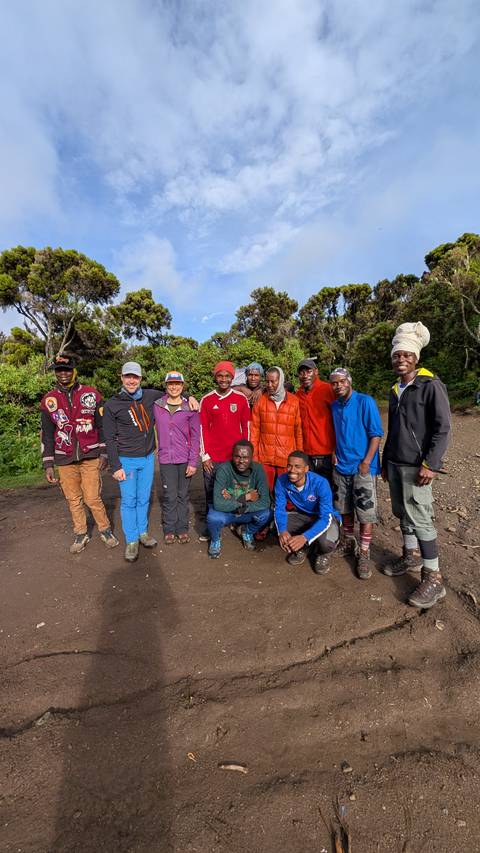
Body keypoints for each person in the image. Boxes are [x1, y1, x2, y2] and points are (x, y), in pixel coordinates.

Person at [381, 322, 451, 609]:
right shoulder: (395, 389)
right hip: (396, 463)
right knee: (402, 513)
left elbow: (443, 428)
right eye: (397, 355)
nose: (401, 359)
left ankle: (433, 576)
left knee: (421, 517)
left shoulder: (430, 384)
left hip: (418, 466)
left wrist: (431, 464)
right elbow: (394, 429)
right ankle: (410, 555)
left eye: (407, 355)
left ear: (416, 357)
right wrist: (385, 461)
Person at [40, 354, 119, 554]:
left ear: (74, 371)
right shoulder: (49, 400)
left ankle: (105, 529)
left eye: (67, 369)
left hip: (90, 455)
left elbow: (102, 426)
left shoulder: (92, 394)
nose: (63, 373)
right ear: (56, 373)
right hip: (64, 458)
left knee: (92, 497)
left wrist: (104, 453)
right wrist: (48, 463)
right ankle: (81, 533)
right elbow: (47, 434)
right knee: (73, 499)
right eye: (59, 370)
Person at [103, 362, 161, 562]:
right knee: (129, 500)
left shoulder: (150, 396)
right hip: (126, 460)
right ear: (121, 378)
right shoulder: (112, 404)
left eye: (135, 377)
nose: (131, 381)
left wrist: (191, 398)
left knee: (144, 498)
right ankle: (131, 540)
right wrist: (115, 466)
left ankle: (143, 533)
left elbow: (174, 393)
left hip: (147, 458)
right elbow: (109, 439)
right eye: (127, 376)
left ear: (140, 379)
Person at [330, 368, 383, 580]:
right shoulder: (334, 406)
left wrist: (367, 462)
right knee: (344, 507)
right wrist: (333, 451)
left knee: (365, 512)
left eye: (342, 381)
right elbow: (336, 432)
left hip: (362, 467)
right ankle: (348, 541)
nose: (338, 385)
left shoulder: (365, 401)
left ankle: (364, 551)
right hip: (341, 465)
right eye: (334, 383)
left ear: (349, 381)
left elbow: (376, 434)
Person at [153, 371, 200, 544]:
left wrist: (193, 462)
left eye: (177, 384)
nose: (174, 387)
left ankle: (182, 528)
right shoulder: (157, 405)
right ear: (166, 386)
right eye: (170, 384)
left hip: (185, 459)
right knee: (170, 495)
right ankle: (169, 528)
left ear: (182, 386)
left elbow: (195, 436)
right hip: (166, 459)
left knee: (182, 495)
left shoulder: (191, 408)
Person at [274, 451, 340, 574]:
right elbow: (279, 509)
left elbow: (326, 517)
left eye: (297, 466)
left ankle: (322, 554)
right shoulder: (282, 481)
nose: (292, 470)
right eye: (289, 465)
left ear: (306, 469)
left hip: (326, 518)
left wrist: (305, 537)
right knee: (277, 527)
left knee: (327, 543)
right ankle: (305, 547)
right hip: (304, 516)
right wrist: (282, 531)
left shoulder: (321, 483)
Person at [199, 361, 251, 512]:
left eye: (227, 376)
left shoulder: (241, 399)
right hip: (213, 459)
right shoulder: (207, 400)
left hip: (234, 458)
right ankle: (211, 526)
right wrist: (205, 456)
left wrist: (245, 455)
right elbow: (202, 429)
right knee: (211, 493)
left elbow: (246, 428)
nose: (223, 379)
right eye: (220, 376)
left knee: (238, 492)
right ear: (215, 377)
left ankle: (237, 523)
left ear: (232, 378)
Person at [206, 440, 272, 558]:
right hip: (227, 512)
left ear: (252, 457)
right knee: (213, 518)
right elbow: (218, 503)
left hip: (243, 511)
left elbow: (265, 502)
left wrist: (236, 503)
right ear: (232, 456)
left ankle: (246, 531)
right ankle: (215, 540)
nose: (241, 461)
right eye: (237, 457)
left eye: (245, 457)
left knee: (267, 514)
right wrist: (245, 498)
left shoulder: (258, 470)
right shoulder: (224, 469)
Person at [251, 366, 303, 493]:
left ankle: (284, 512)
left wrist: (299, 455)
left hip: (286, 458)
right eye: (267, 381)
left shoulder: (294, 401)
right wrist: (254, 456)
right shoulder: (260, 401)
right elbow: (254, 430)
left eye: (273, 381)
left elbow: (298, 431)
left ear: (280, 381)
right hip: (265, 458)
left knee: (286, 493)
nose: (269, 385)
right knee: (264, 491)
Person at [296, 358, 336, 483]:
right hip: (307, 454)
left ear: (316, 371)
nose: (305, 375)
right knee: (311, 491)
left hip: (327, 453)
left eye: (308, 371)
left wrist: (337, 449)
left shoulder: (328, 389)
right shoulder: (298, 395)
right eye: (302, 372)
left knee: (328, 492)